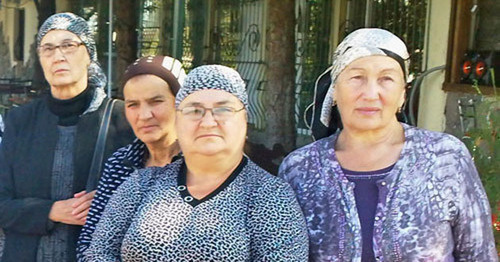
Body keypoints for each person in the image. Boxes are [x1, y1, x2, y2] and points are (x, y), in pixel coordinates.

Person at [279, 28, 499, 261]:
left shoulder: (445, 157)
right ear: (334, 91)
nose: (371, 93)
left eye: (386, 78)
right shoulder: (299, 170)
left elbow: (479, 255)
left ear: (403, 94)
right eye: (356, 77)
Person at [82, 65, 309, 261]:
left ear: (244, 119)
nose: (208, 122)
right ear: (178, 120)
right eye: (194, 110)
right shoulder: (141, 184)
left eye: (223, 109)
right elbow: (99, 252)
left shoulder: (270, 196)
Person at [0, 13, 133, 262]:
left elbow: (144, 195)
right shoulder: (21, 121)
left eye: (69, 46)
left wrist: (108, 200)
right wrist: (51, 210)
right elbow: (2, 204)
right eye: (47, 49)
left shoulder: (121, 119)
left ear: (89, 54)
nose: (58, 56)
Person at [76, 55, 186, 259]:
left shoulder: (204, 166)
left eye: (156, 101)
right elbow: (89, 245)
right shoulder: (120, 164)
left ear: (180, 103)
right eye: (133, 104)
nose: (144, 115)